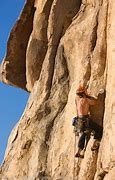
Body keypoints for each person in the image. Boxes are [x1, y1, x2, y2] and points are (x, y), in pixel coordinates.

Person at [74, 85, 102, 158]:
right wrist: (92, 96)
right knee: (99, 129)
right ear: (83, 93)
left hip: (79, 120)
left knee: (83, 134)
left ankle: (79, 151)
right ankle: (95, 144)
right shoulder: (85, 100)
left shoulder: (78, 100)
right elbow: (94, 102)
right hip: (85, 119)